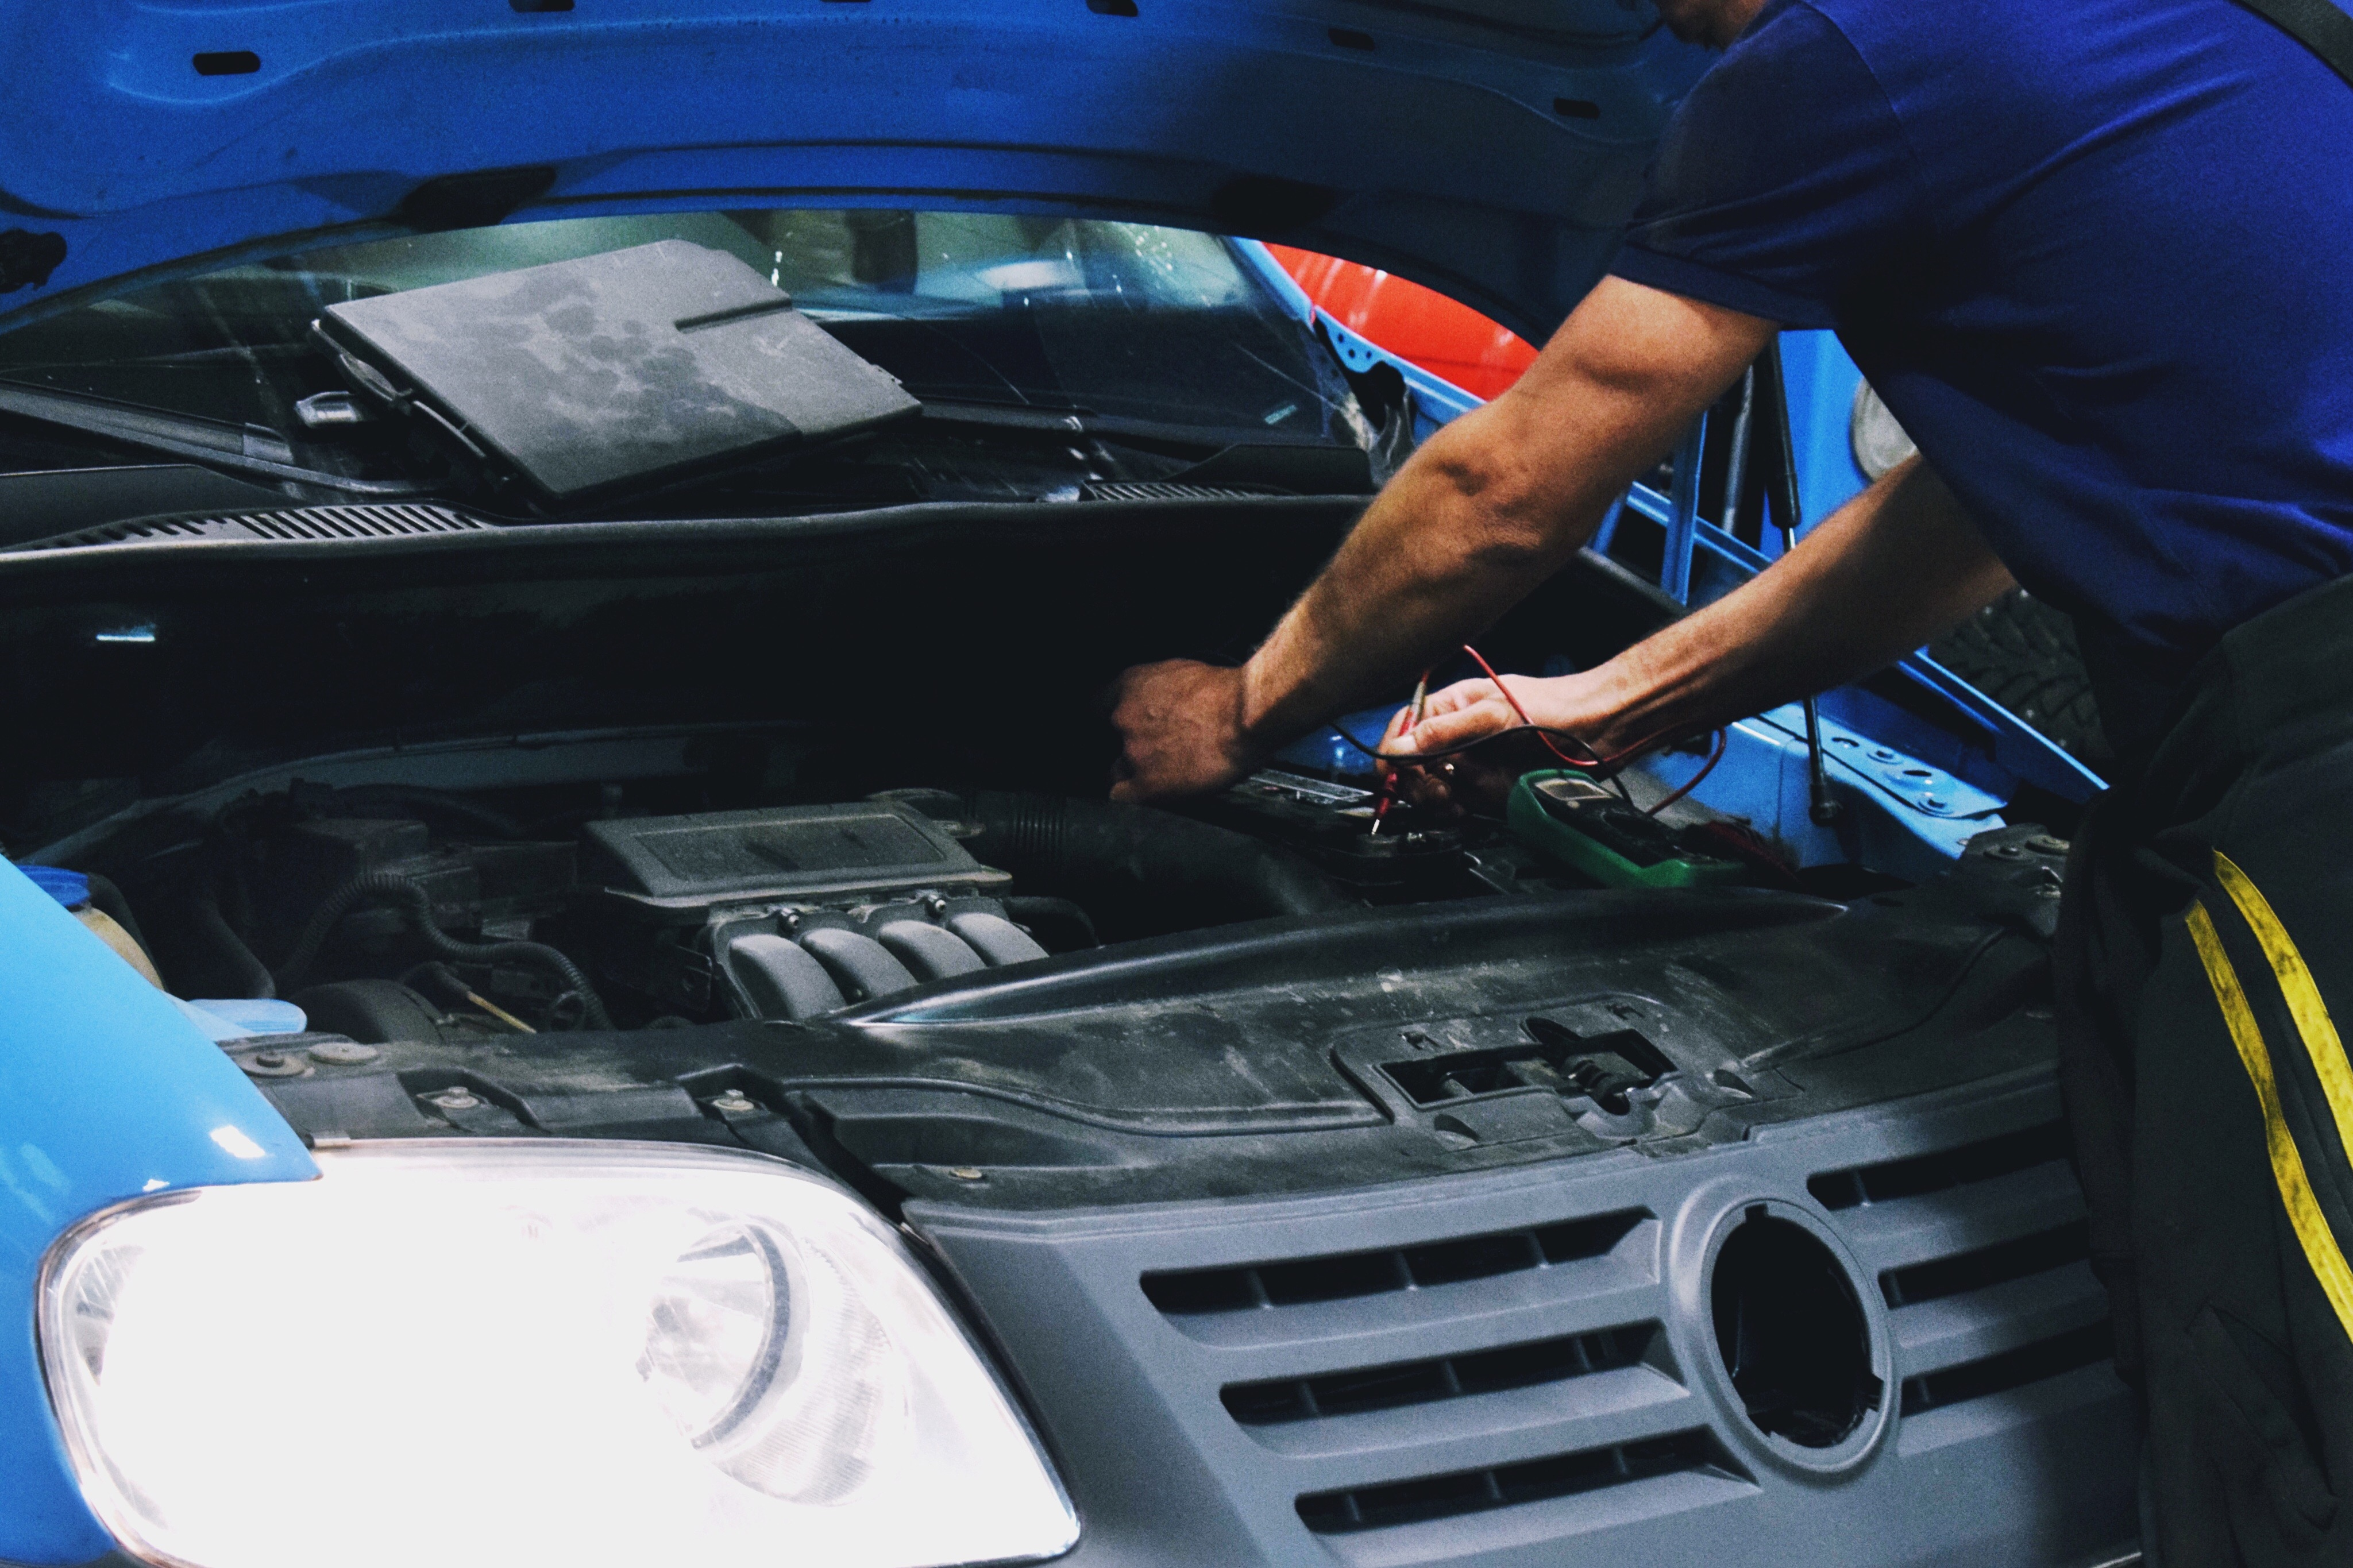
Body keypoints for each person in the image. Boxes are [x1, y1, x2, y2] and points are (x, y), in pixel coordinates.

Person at [1106, 0, 2353, 1558]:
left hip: (2323, 764)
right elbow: (1965, 517)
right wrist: (1612, 704)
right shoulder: (2087, 32)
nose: (1650, 21)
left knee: (2313, 1355)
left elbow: (1503, 488)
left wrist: (1238, 708)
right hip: (2260, 733)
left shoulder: (1845, 55)